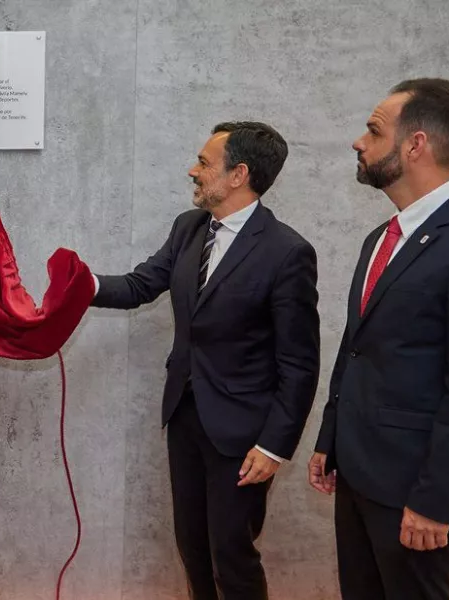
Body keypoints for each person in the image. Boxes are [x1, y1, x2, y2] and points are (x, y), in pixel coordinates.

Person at [88, 122, 320, 599]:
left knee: (230, 555)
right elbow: (139, 285)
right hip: (186, 418)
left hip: (244, 435)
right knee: (192, 547)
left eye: (204, 163)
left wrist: (275, 447)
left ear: (238, 174)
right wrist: (80, 283)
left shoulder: (287, 252)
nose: (192, 171)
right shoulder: (188, 227)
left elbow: (299, 363)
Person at [308, 78, 449, 600]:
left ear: (416, 144)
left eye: (373, 130)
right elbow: (357, 345)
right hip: (361, 472)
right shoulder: (380, 238)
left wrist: (436, 499)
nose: (357, 142)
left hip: (418, 490)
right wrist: (330, 438)